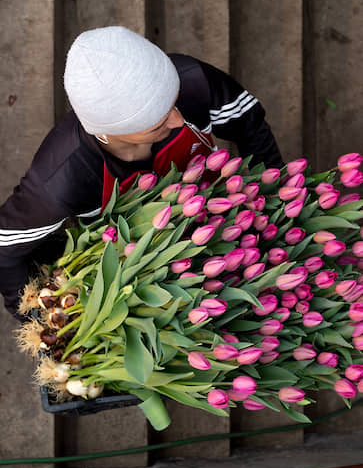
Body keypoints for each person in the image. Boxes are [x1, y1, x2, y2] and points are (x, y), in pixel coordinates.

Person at [0, 25, 284, 319]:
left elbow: (251, 123)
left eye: (173, 103)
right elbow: (5, 249)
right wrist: (45, 330)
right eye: (157, 124)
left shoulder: (192, 81)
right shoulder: (62, 178)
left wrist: (277, 193)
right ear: (110, 133)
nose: (177, 120)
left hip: (227, 225)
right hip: (144, 280)